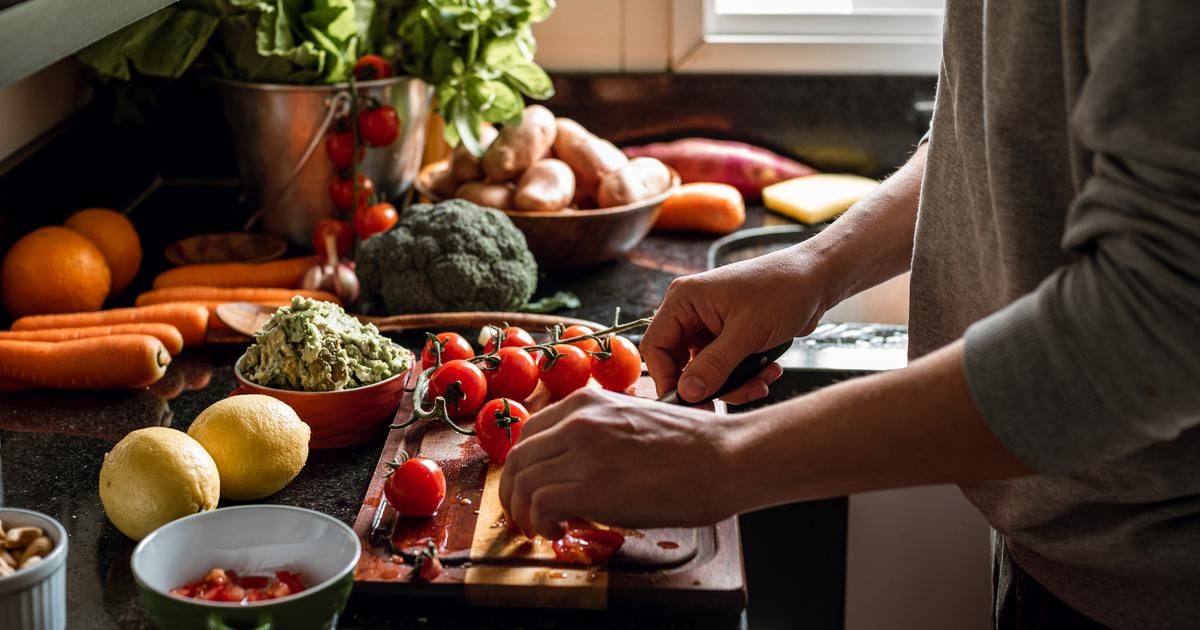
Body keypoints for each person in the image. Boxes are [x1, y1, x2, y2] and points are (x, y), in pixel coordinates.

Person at [499, 2, 1200, 628]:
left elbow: (1155, 324)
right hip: (1061, 549)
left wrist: (723, 459)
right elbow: (997, 133)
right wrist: (816, 266)